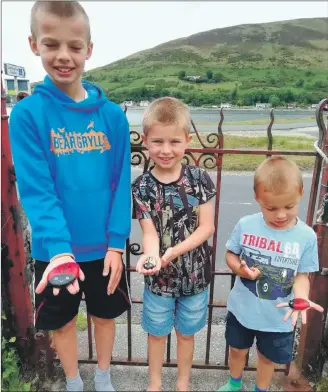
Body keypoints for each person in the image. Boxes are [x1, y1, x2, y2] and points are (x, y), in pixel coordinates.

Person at [9, 2, 131, 391]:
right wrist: (61, 249)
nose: (64, 56)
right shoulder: (28, 114)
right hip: (55, 250)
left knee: (105, 316)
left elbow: (120, 183)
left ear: (89, 50)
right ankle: (75, 381)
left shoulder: (112, 116)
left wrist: (116, 244)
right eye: (52, 44)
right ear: (34, 45)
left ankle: (105, 377)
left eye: (74, 47)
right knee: (61, 321)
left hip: (104, 248)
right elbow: (37, 190)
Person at [217, 156, 324, 392]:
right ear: (257, 198)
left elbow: (302, 276)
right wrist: (239, 269)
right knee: (236, 349)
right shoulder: (246, 225)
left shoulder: (306, 236)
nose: (280, 215)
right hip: (242, 309)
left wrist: (302, 298)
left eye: (289, 206)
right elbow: (230, 255)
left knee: (267, 358)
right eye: (271, 208)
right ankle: (234, 383)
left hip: (278, 318)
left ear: (301, 193)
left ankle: (260, 389)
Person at [132, 97, 217, 391]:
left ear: (187, 141)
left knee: (186, 335)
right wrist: (151, 257)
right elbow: (150, 233)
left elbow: (207, 227)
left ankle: (183, 384)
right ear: (145, 141)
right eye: (157, 142)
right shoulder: (141, 186)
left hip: (196, 277)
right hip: (160, 280)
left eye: (173, 141)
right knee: (156, 335)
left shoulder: (199, 179)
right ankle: (154, 384)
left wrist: (173, 252)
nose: (165, 150)